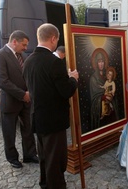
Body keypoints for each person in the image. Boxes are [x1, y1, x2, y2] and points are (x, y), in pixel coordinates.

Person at [23, 23, 78, 188]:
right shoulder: (54, 62)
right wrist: (73, 78)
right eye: (57, 39)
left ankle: (45, 183)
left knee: (44, 157)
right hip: (54, 121)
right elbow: (66, 91)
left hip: (38, 118)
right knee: (56, 159)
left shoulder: (28, 61)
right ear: (53, 38)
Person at [0, 30, 38, 168]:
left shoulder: (22, 55)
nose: (25, 48)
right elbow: (3, 81)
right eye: (24, 44)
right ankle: (12, 158)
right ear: (14, 41)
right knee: (9, 133)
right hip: (10, 101)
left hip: (26, 102)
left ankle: (30, 154)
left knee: (28, 129)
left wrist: (29, 91)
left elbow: (27, 75)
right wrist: (23, 94)